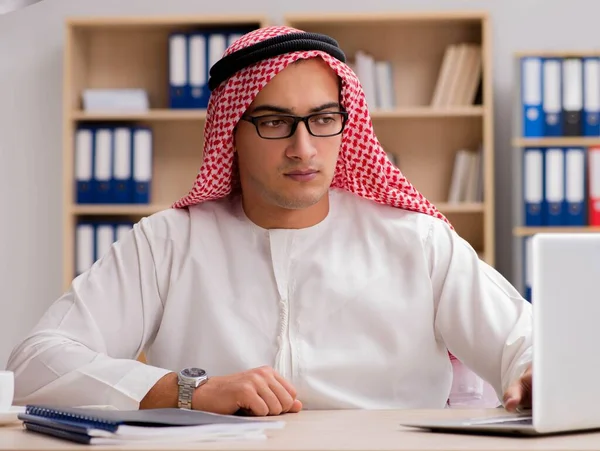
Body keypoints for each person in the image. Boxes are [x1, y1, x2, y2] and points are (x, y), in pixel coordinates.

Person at [6, 26, 532, 416]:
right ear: (230, 133)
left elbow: (525, 343)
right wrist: (188, 392)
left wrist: (537, 374)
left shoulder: (417, 241)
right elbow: (35, 364)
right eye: (275, 122)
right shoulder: (169, 241)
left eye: (324, 120)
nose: (303, 149)